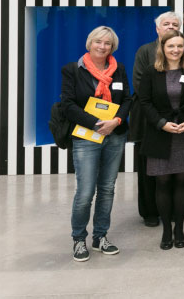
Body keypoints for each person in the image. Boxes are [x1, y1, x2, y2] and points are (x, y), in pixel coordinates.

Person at [61, 26, 132, 262]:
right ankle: (79, 238)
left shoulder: (118, 69)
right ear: (89, 43)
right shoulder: (73, 69)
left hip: (115, 134)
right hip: (86, 136)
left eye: (108, 44)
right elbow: (68, 105)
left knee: (107, 189)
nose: (102, 47)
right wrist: (97, 123)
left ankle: (100, 236)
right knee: (85, 191)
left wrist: (116, 121)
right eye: (98, 42)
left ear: (113, 47)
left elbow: (127, 99)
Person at [132, 12, 184, 226]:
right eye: (166, 24)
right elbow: (140, 87)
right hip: (153, 123)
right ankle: (151, 212)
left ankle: (174, 213)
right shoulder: (145, 51)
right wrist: (161, 120)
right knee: (154, 174)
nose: (171, 26)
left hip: (183, 124)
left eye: (175, 24)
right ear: (157, 28)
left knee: (181, 175)